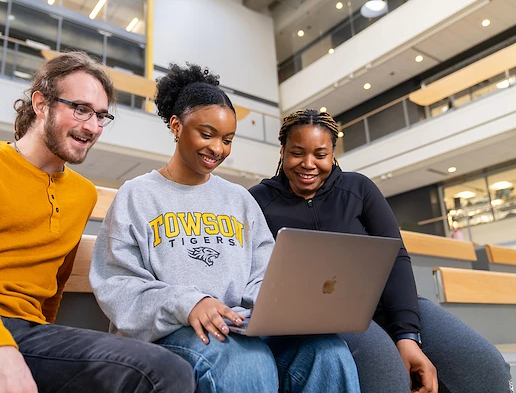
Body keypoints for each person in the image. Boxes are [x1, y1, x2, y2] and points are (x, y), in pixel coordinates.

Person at [0, 52, 194, 393]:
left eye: (101, 115)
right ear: (41, 104)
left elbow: (52, 290)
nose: (92, 126)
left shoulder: (82, 194)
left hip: (28, 334)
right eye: (80, 108)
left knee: (166, 372)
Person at [90, 64, 361, 393]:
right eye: (207, 134)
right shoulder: (138, 194)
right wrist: (190, 303)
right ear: (176, 126)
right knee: (247, 362)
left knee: (328, 353)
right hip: (168, 334)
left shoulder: (240, 200)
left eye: (227, 139)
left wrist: (276, 309)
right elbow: (118, 284)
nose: (217, 148)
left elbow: (265, 273)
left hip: (239, 327)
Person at [249, 109, 513, 393]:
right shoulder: (257, 200)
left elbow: (396, 257)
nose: (308, 164)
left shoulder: (358, 187)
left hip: (385, 302)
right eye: (297, 153)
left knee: (486, 367)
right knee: (390, 380)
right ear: (282, 152)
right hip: (326, 316)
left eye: (320, 154)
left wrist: (408, 334)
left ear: (333, 154)